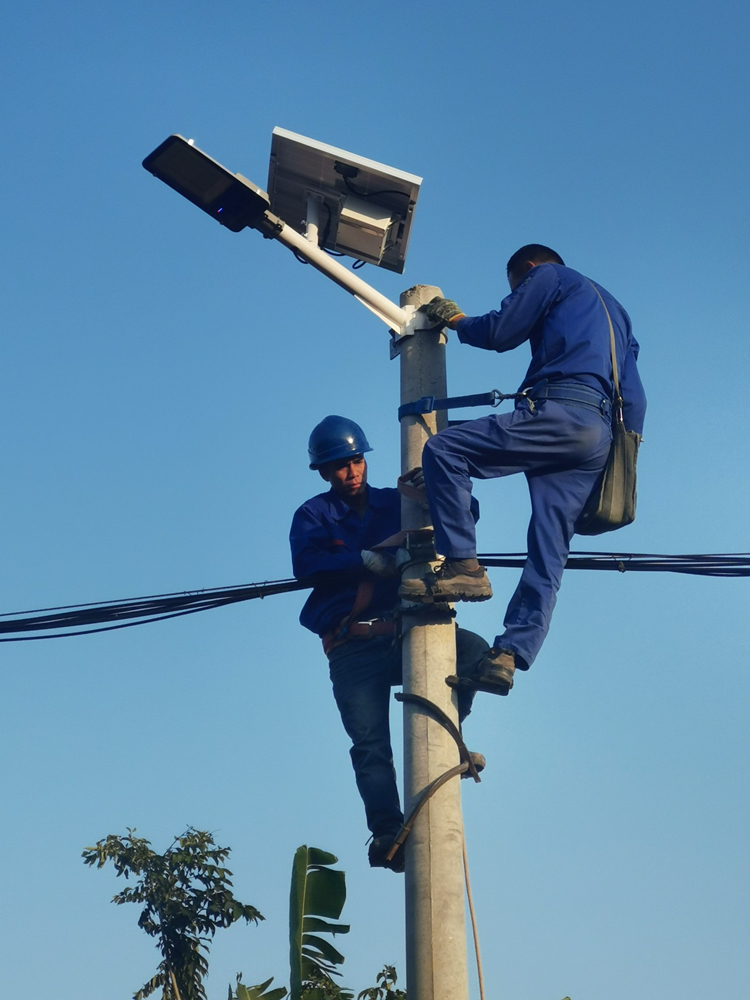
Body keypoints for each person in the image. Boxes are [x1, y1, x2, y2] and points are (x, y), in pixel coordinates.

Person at [399, 245, 647, 697]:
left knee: (444, 451)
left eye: (517, 287)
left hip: (560, 410)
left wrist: (455, 320)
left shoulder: (549, 278)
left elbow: (501, 331)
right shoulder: (617, 311)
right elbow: (635, 398)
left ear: (527, 270)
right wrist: (620, 462)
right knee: (549, 552)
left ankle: (463, 566)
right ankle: (509, 655)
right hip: (599, 435)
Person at [289, 415, 489, 872]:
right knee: (370, 743)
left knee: (476, 653)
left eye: (356, 461)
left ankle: (445, 730)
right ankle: (386, 830)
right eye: (341, 466)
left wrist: (433, 490)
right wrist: (368, 558)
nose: (352, 472)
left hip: (405, 632)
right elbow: (308, 564)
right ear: (325, 471)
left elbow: (466, 515)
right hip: (352, 647)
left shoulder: (394, 502)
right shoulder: (314, 515)